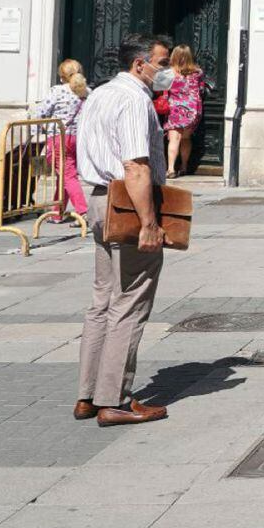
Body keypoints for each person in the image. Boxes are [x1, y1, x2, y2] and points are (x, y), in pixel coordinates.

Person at [72, 34, 174, 427]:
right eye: (162, 63)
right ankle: (113, 399)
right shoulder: (134, 99)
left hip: (99, 199)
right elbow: (135, 166)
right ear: (140, 64)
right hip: (128, 203)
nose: (166, 71)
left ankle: (87, 395)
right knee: (130, 301)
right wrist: (149, 222)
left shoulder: (99, 94)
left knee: (103, 300)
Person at [32, 59, 90, 225]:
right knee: (64, 175)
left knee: (68, 175)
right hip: (77, 139)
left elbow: (41, 112)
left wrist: (35, 133)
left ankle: (83, 212)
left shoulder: (57, 91)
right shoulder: (86, 92)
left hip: (58, 138)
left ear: (62, 76)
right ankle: (57, 213)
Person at [164, 45, 208, 178]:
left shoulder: (168, 73)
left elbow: (160, 89)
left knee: (174, 138)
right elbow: (201, 89)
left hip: (175, 109)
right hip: (193, 109)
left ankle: (171, 169)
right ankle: (183, 166)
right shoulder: (198, 73)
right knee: (186, 138)